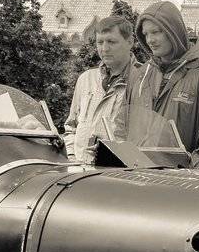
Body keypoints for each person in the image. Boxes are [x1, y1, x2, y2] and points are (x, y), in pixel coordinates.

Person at [137, 1, 199, 170]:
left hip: (184, 181)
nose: (150, 40)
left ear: (174, 31)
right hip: (141, 177)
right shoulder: (142, 74)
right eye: (146, 34)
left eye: (156, 32)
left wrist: (190, 175)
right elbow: (123, 125)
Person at [62, 16, 160, 162]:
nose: (104, 49)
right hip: (79, 169)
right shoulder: (85, 79)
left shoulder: (145, 81)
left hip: (117, 171)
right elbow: (71, 127)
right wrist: (71, 157)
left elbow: (147, 139)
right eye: (100, 42)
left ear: (130, 42)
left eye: (111, 42)